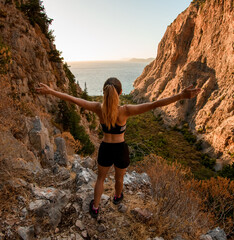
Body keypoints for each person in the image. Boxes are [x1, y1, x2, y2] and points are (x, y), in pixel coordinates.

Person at [36, 77, 201, 218]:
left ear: (103, 93)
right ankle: (117, 197)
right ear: (120, 93)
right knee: (119, 178)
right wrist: (181, 95)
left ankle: (95, 207)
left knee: (100, 179)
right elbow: (155, 104)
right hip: (121, 149)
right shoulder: (126, 110)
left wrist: (51, 91)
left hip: (105, 148)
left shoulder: (98, 108)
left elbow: (72, 99)